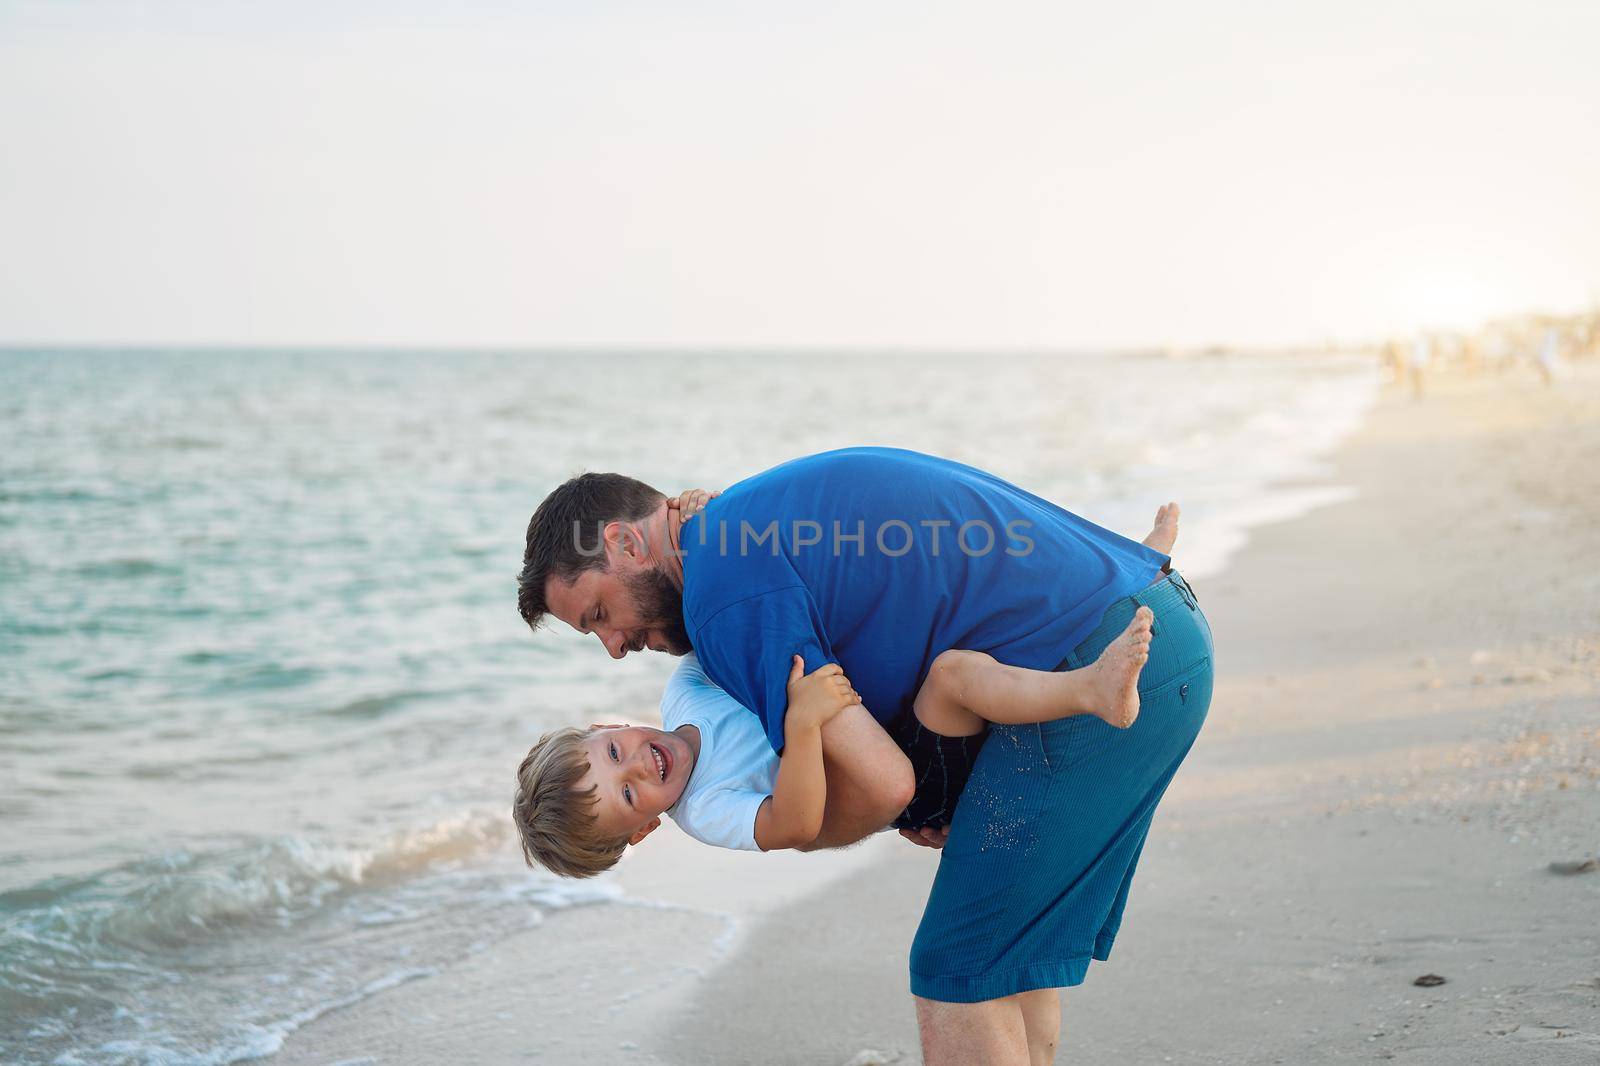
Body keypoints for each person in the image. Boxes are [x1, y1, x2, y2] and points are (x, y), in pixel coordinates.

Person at [517, 447, 1213, 1065]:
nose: (612, 647)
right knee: (1008, 961)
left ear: (623, 543)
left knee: (959, 971)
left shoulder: (721, 599)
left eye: (598, 616)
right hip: (1155, 609)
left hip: (1105, 660)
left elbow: (884, 783)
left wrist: (883, 813)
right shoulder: (741, 526)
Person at [512, 505, 1176, 871]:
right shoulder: (707, 811)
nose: (636, 764)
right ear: (647, 829)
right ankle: (1091, 690)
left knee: (972, 634)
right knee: (953, 675)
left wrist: (694, 523)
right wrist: (800, 730)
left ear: (606, 725)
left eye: (611, 754)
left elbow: (717, 619)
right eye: (629, 794)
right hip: (905, 771)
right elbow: (794, 824)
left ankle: (1127, 557)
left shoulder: (685, 694)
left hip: (887, 728)